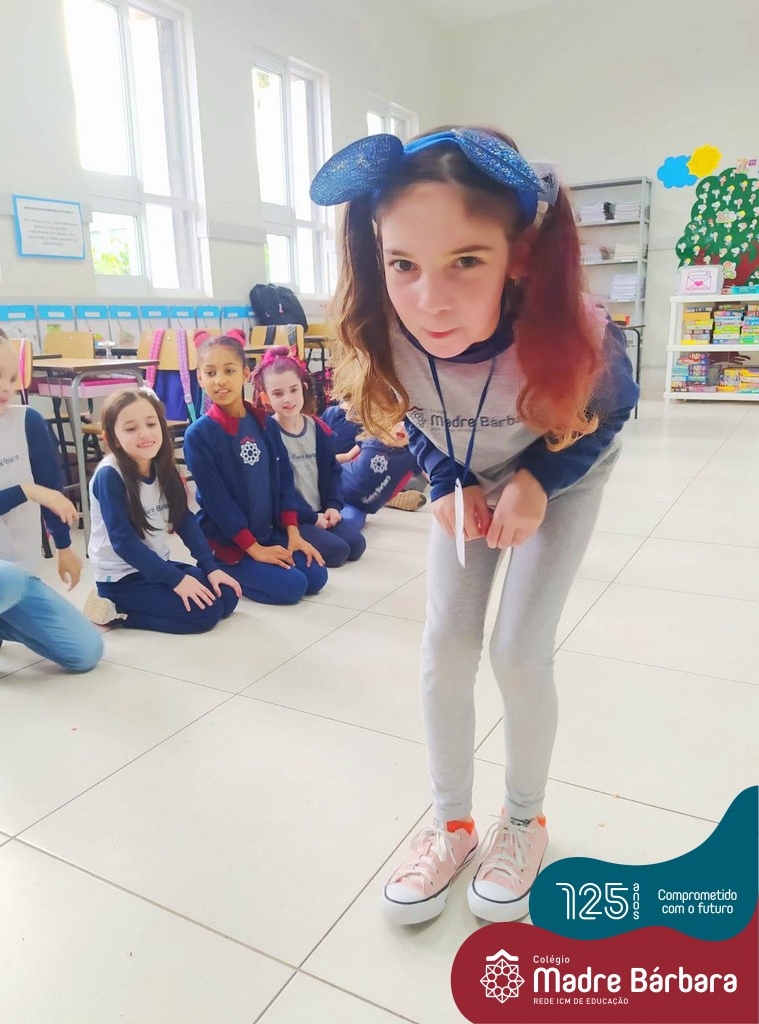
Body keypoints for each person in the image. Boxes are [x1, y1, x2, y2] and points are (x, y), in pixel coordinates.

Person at [310, 126, 639, 924]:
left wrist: (537, 481)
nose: (430, 299)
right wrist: (445, 476)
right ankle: (450, 826)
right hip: (466, 475)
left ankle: (522, 823)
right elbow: (413, 410)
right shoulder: (382, 325)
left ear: (516, 255)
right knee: (444, 650)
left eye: (465, 260)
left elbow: (609, 411)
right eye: (403, 264)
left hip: (561, 470)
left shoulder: (577, 328)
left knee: (519, 651)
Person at [184, 334, 328, 604]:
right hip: (230, 542)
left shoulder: (265, 423)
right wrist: (255, 550)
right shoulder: (199, 435)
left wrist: (293, 534)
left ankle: (264, 555)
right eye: (211, 373)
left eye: (229, 371)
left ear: (245, 374)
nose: (220, 380)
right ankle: (223, 567)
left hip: (267, 532)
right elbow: (218, 503)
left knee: (317, 576)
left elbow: (284, 479)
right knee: (294, 587)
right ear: (200, 378)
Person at [83, 388, 241, 633]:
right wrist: (176, 580)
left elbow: (184, 520)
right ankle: (117, 609)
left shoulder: (162, 467)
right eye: (130, 428)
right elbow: (124, 543)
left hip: (155, 566)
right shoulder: (110, 475)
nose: (145, 434)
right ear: (112, 438)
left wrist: (209, 567)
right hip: (122, 579)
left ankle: (157, 595)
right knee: (206, 615)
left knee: (227, 596)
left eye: (151, 424)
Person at [0, 329, 103, 671]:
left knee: (85, 652)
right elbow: (38, 490)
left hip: (16, 578)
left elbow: (52, 489)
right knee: (5, 579)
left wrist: (64, 546)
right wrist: (26, 491)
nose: (6, 387)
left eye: (12, 378)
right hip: (3, 578)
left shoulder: (27, 421)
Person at [252, 347, 366, 566]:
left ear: (303, 388)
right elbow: (275, 488)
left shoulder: (317, 428)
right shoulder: (267, 434)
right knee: (338, 552)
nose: (288, 399)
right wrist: (312, 518)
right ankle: (283, 538)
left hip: (321, 511)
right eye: (278, 394)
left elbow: (333, 472)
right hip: (292, 518)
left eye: (293, 390)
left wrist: (333, 506)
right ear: (266, 398)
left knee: (357, 545)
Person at [322, 402, 427, 515]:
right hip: (338, 482)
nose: (402, 426)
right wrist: (321, 462)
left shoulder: (412, 454)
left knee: (417, 482)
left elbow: (431, 472)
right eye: (397, 421)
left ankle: (390, 498)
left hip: (361, 501)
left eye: (410, 426)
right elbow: (348, 456)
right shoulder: (372, 436)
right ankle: (391, 499)